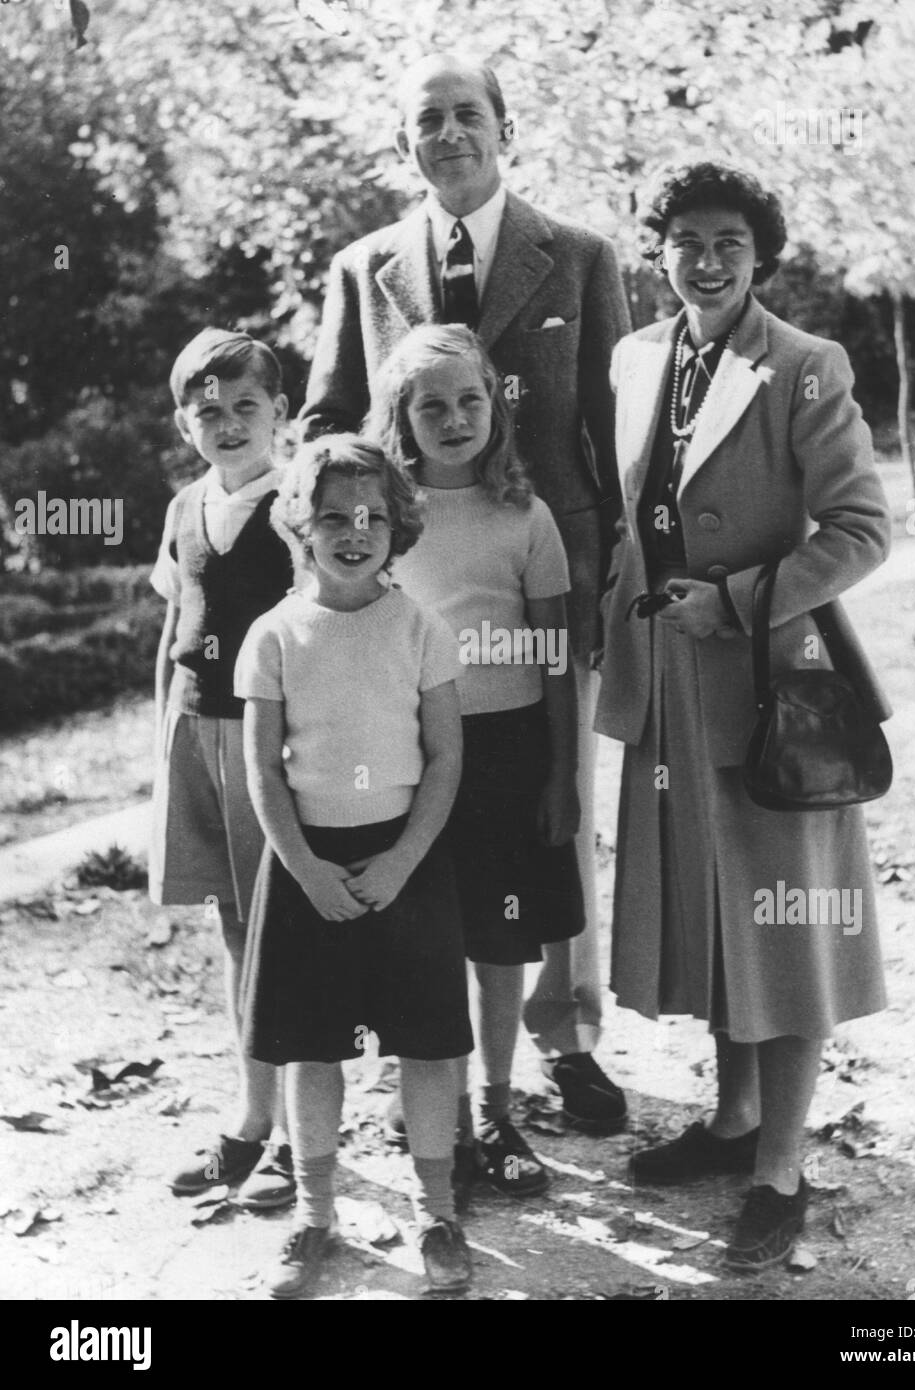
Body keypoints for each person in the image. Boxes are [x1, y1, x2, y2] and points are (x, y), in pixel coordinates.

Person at [300, 53, 630, 1129]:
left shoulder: (577, 259)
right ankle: (431, 1036)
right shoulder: (362, 269)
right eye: (427, 120)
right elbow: (322, 420)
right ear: (406, 143)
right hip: (406, 606)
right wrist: (336, 540)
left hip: (540, 585)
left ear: (503, 127)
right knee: (417, 810)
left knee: (549, 810)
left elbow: (614, 433)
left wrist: (619, 578)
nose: (448, 133)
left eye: (467, 114)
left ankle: (565, 1036)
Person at [596, 163, 891, 1271]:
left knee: (786, 924)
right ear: (657, 250)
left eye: (727, 241)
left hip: (774, 686)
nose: (705, 259)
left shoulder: (804, 365)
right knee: (715, 918)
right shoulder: (635, 358)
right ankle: (729, 1123)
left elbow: (859, 530)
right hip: (667, 680)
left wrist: (731, 601)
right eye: (684, 239)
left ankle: (778, 1168)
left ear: (758, 254)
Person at [235, 435, 474, 1297]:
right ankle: (314, 1215)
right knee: (310, 1046)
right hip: (309, 867)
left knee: (426, 1043)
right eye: (332, 516)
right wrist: (304, 867)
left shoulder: (421, 628)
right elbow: (262, 770)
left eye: (372, 515)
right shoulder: (273, 636)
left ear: (399, 524)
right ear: (299, 526)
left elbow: (445, 759)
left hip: (405, 860)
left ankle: (438, 1213)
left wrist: (405, 858)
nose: (353, 531)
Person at [369, 323, 585, 1198]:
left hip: (509, 754)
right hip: (415, 757)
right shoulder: (382, 520)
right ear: (401, 417)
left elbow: (560, 660)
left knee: (501, 941)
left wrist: (562, 776)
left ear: (496, 405)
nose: (454, 418)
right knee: (429, 939)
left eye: (470, 400)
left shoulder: (524, 518)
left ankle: (497, 1107)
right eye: (431, 406)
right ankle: (440, 1113)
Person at [150, 327, 295, 1212]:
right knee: (236, 928)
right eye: (210, 412)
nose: (230, 423)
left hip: (271, 746)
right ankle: (252, 1117)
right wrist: (164, 728)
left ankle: (297, 1139)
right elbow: (176, 631)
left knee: (289, 935)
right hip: (197, 732)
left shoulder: (300, 503)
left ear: (280, 412)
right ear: (184, 425)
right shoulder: (183, 508)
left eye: (247, 407)